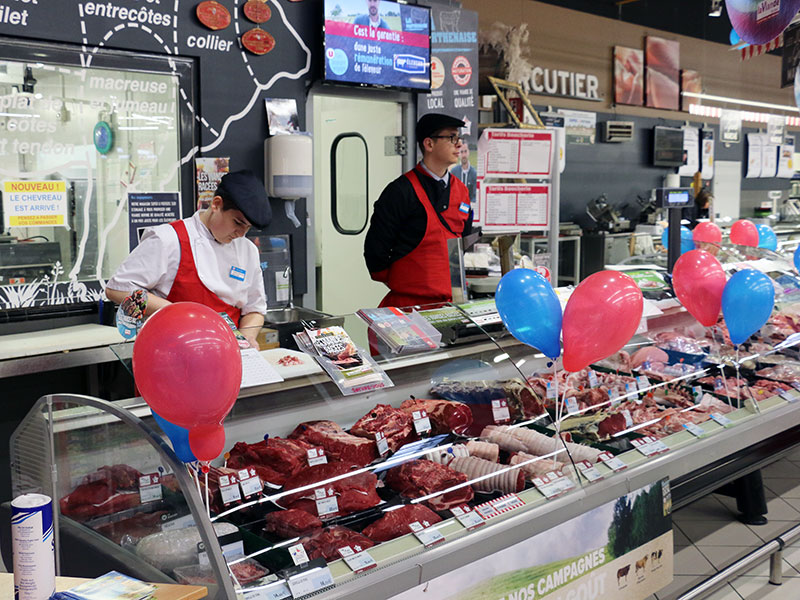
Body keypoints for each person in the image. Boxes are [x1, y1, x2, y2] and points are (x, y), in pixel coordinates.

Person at [106, 170, 271, 349]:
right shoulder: (168, 239)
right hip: (171, 354)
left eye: (247, 228)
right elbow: (117, 290)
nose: (241, 234)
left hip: (226, 357)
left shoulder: (248, 251)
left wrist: (247, 339)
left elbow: (255, 309)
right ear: (216, 204)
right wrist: (176, 313)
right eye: (237, 223)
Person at [364, 113, 474, 308]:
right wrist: (405, 280)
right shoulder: (400, 191)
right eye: (451, 138)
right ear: (429, 144)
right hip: (408, 306)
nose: (458, 145)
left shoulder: (462, 191)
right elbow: (375, 250)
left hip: (452, 304)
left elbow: (464, 240)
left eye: (459, 138)